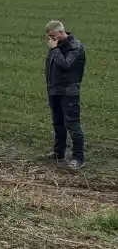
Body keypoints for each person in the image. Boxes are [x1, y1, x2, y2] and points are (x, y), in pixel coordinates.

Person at [44, 20, 86, 171]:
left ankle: (78, 158)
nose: (51, 40)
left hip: (69, 92)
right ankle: (58, 153)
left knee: (73, 125)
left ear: (61, 32)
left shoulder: (75, 47)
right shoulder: (57, 45)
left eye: (53, 36)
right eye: (49, 37)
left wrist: (55, 49)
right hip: (54, 91)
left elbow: (66, 65)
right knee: (58, 124)